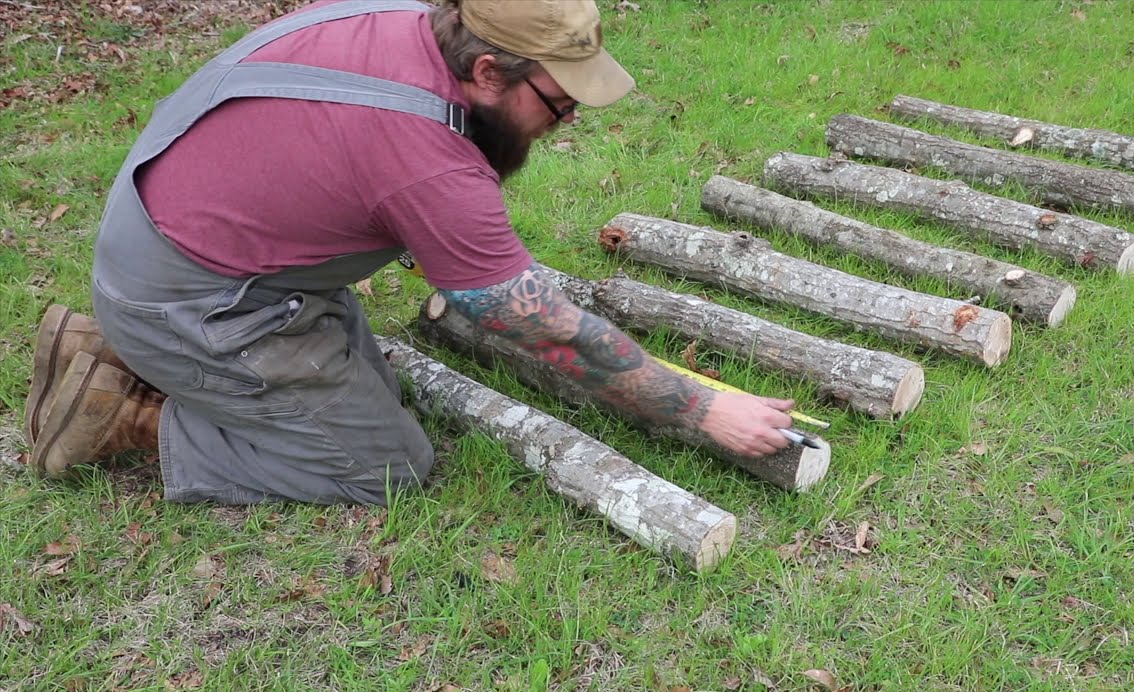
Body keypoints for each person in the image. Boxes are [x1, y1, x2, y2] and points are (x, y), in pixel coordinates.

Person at [24, 0, 796, 506]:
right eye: (557, 103)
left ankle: (129, 348)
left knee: (369, 387)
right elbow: (535, 322)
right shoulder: (427, 158)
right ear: (488, 71)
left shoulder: (401, 18)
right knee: (381, 467)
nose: (565, 122)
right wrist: (704, 408)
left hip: (173, 236)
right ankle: (130, 412)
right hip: (198, 297)